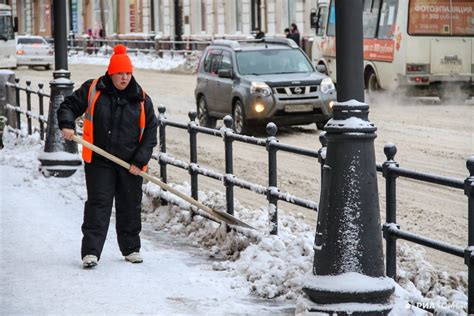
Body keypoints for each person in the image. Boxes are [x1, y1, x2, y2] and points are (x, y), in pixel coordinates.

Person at [57, 44, 158, 268]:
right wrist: (66, 123)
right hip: (99, 160)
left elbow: (150, 133)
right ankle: (91, 252)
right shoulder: (94, 89)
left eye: (128, 73)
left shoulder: (141, 99)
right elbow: (68, 106)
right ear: (111, 73)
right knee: (98, 204)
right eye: (120, 73)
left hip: (129, 163)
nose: (124, 78)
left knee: (130, 205)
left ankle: (131, 248)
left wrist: (139, 161)